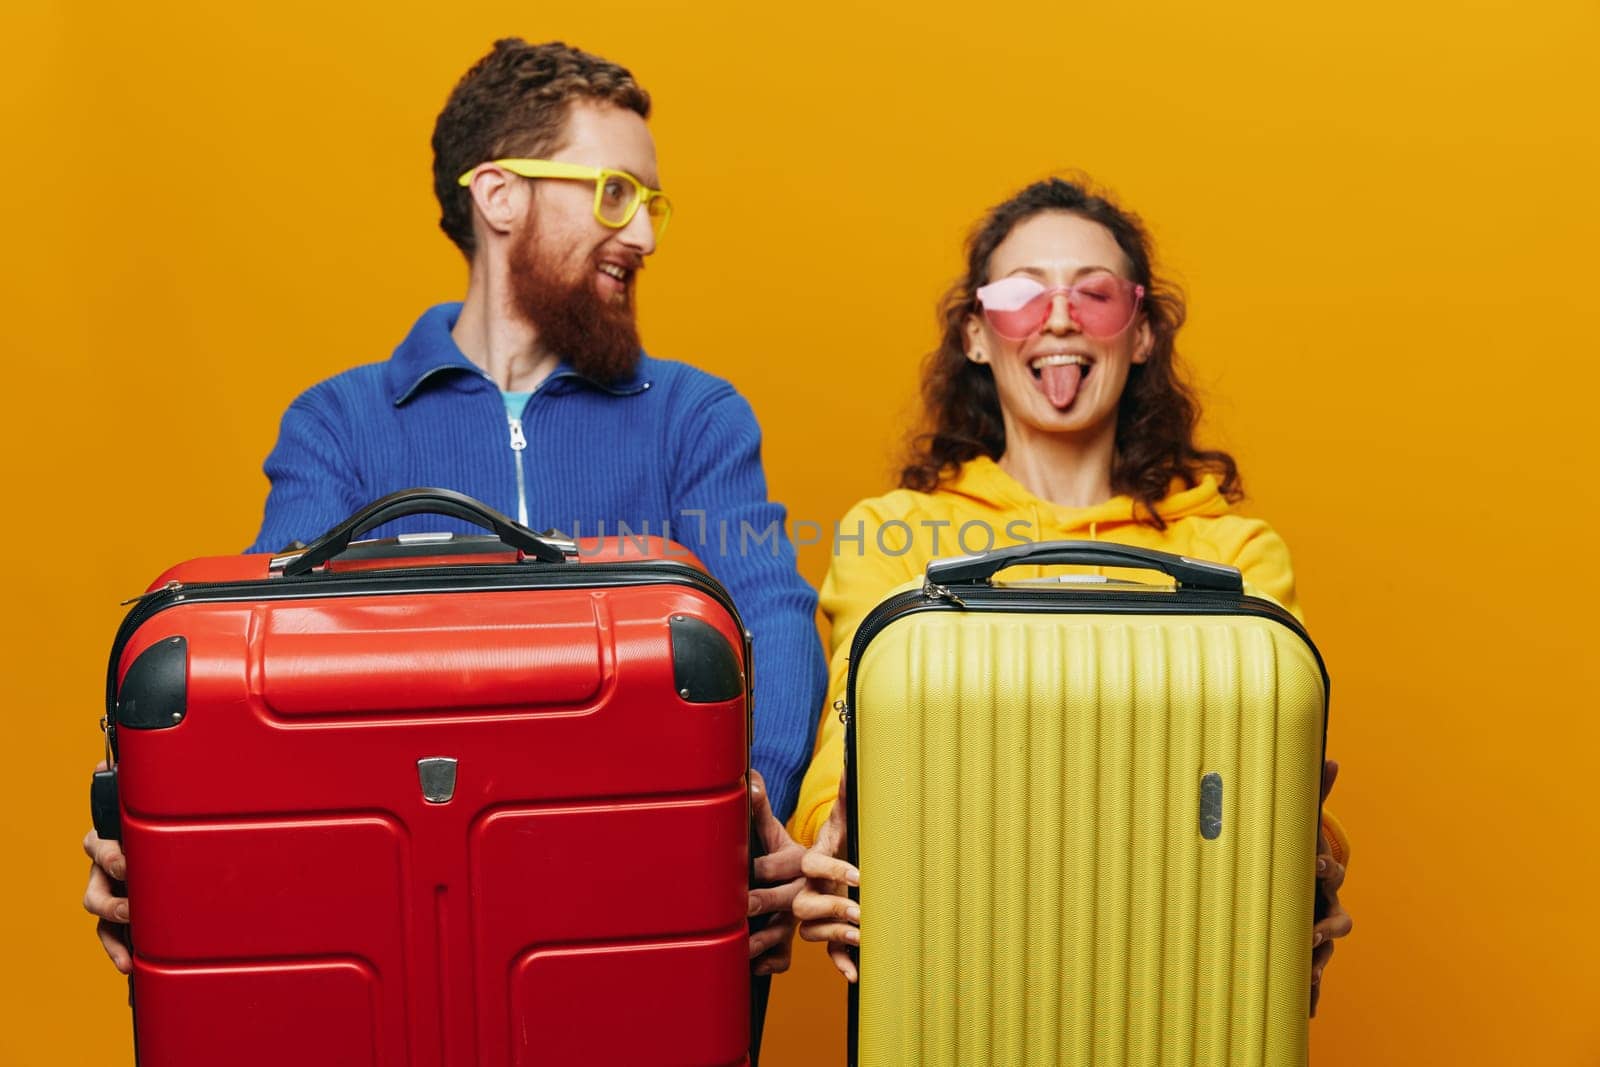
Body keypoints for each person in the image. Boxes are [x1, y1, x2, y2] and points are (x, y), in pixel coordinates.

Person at [81, 38, 824, 1006]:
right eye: (613, 194)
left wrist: (745, 808)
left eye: (651, 203)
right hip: (408, 925)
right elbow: (250, 651)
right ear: (499, 196)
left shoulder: (695, 415)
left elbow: (767, 611)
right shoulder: (340, 425)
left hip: (646, 911)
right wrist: (155, 828)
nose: (642, 233)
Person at [789, 176, 1352, 1014]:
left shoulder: (1234, 554)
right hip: (956, 964)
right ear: (978, 336)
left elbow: (1274, 776)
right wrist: (832, 836)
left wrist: (1307, 860)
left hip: (1176, 968)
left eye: (1092, 293)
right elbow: (850, 734)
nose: (1057, 317)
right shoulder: (892, 535)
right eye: (1021, 295)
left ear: (1143, 332)